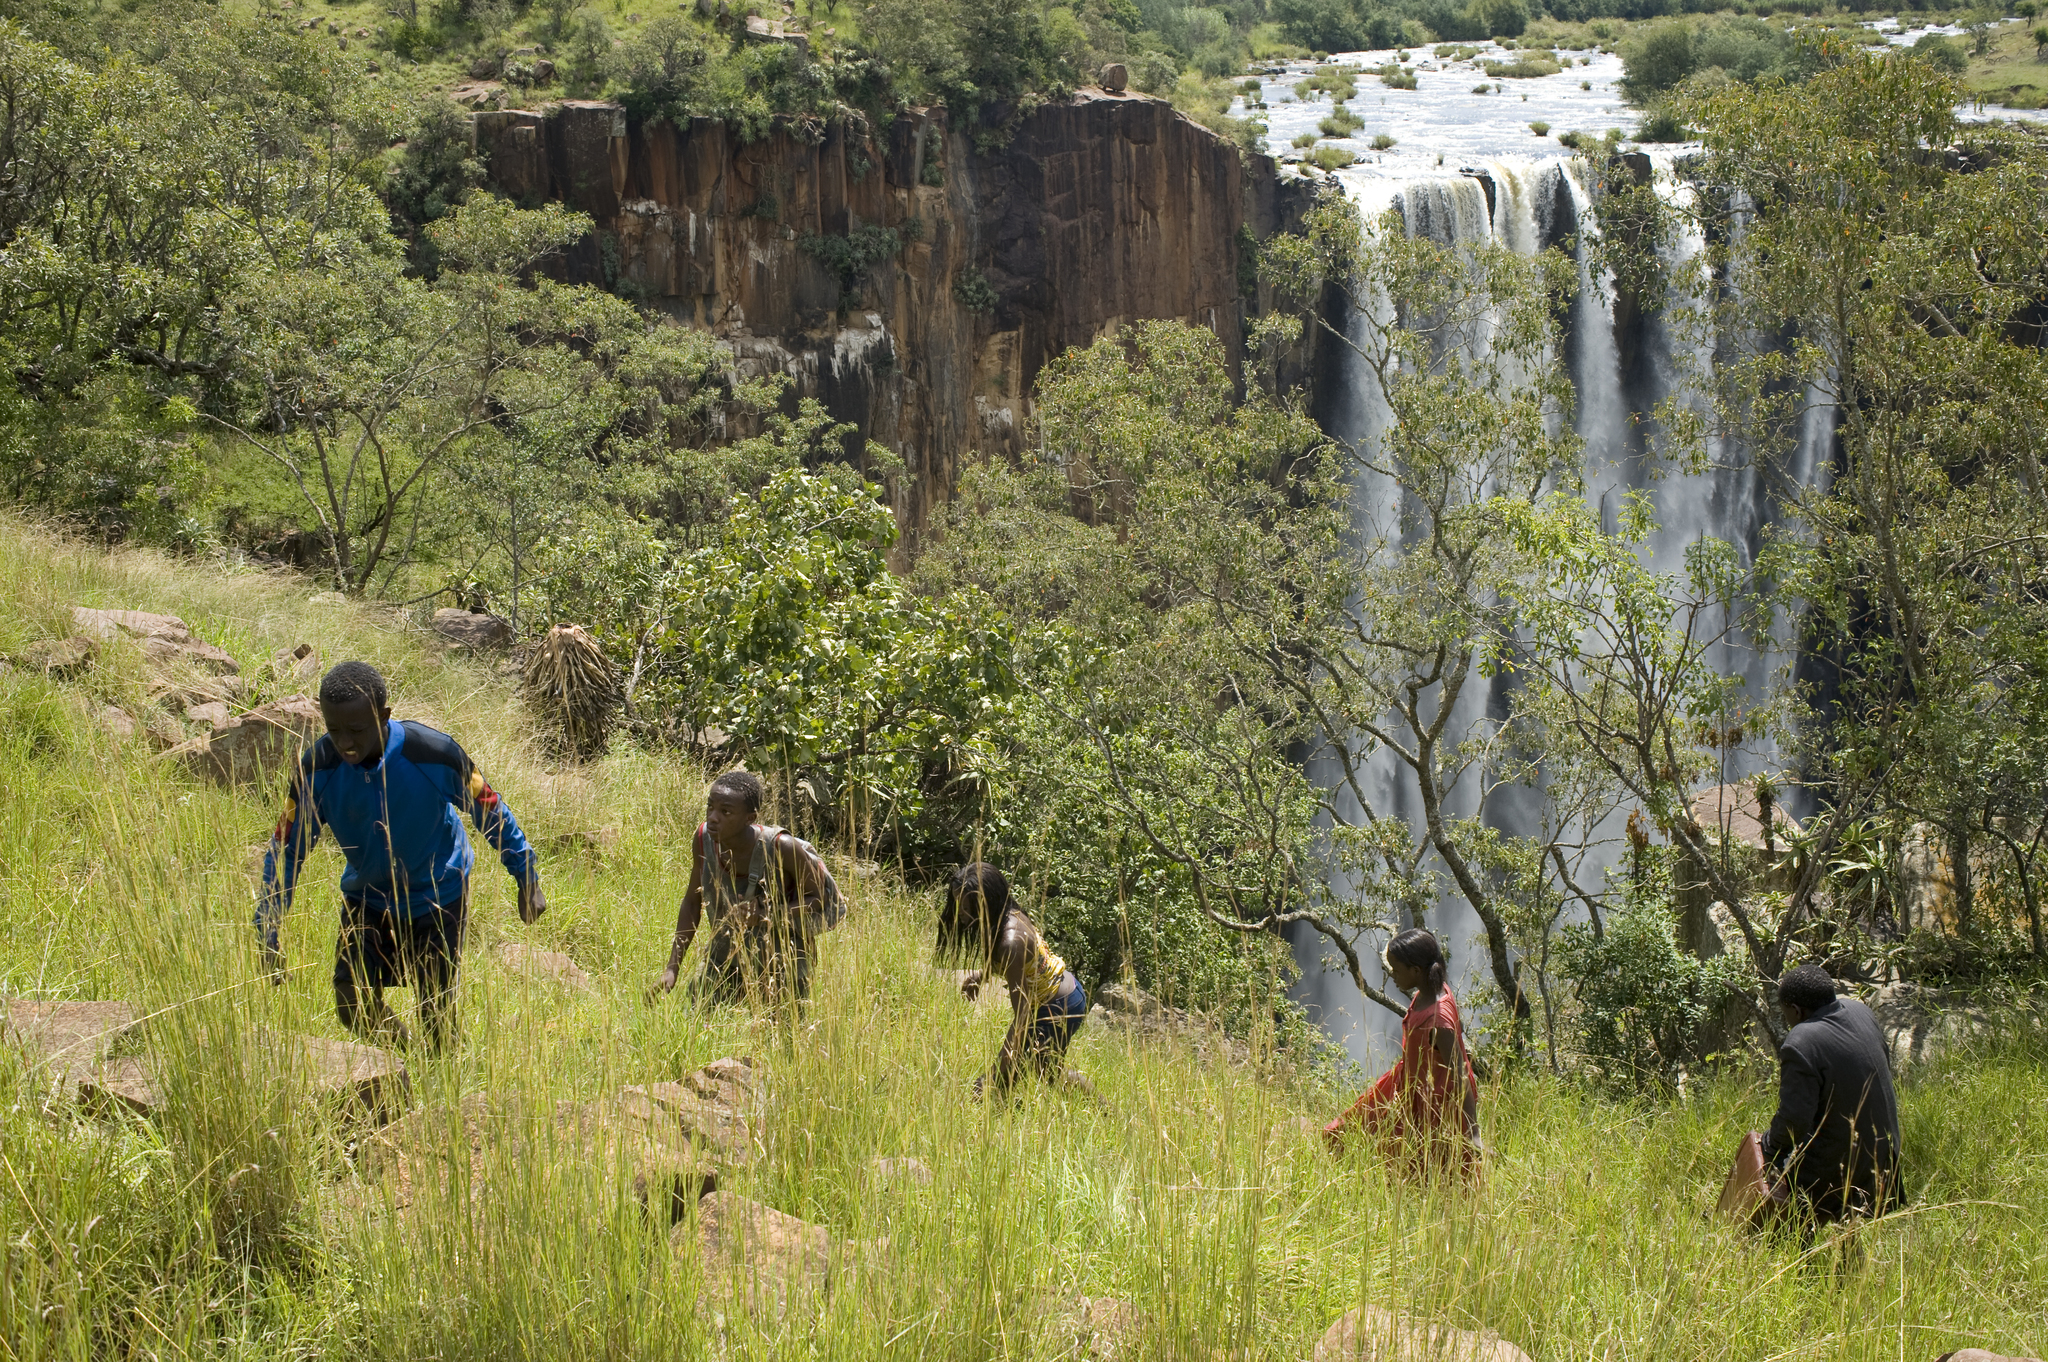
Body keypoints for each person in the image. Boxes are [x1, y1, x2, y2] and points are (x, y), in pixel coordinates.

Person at [259, 661, 545, 1052]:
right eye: (333, 729)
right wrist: (267, 928)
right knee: (351, 1000)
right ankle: (405, 1059)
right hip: (368, 896)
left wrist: (526, 876)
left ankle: (445, 1067)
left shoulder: (432, 753)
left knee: (435, 1011)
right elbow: (287, 849)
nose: (345, 743)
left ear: (384, 716)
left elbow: (490, 808)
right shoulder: (316, 771)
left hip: (438, 893)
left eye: (357, 730)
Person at [649, 770, 841, 1010]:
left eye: (726, 811)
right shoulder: (703, 839)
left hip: (782, 958)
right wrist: (672, 969)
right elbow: (692, 902)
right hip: (725, 952)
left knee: (780, 1036)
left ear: (750, 818)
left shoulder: (782, 848)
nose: (713, 817)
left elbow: (818, 899)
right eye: (710, 807)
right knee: (697, 1020)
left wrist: (764, 914)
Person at [1323, 928, 1480, 1177]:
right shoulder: (1428, 992)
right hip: (1408, 1086)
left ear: (1416, 971)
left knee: (1436, 1173)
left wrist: (1473, 1134)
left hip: (1435, 1104)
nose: (1392, 975)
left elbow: (1461, 1074)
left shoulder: (1439, 1020)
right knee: (1344, 1131)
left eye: (1396, 970)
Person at [1762, 964, 1901, 1224]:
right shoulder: (1860, 1011)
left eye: (1786, 1014)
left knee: (1769, 1168)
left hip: (1843, 1165)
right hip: (1885, 1155)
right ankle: (1845, 1251)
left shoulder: (1802, 1040)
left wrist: (1768, 1148)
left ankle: (1793, 1248)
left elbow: (1794, 1121)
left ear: (1796, 1010)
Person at [948, 863, 1093, 1098]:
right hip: (1060, 992)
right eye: (958, 905)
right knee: (1038, 1070)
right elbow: (1007, 960)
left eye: (967, 907)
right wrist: (981, 975)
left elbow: (1022, 1019)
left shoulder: (1010, 940)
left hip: (1059, 1005)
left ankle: (1105, 1113)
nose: (961, 914)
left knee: (1041, 1072)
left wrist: (996, 1072)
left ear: (987, 903)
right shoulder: (1004, 915)